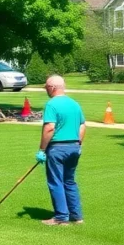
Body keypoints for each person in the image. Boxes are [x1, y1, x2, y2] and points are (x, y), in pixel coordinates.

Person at [36, 74, 86, 226]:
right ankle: (77, 217)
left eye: (46, 87)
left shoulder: (52, 104)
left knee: (56, 181)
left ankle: (61, 217)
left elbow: (50, 127)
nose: (46, 89)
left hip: (58, 148)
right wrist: (79, 144)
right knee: (69, 181)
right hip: (74, 147)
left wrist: (42, 150)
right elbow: (82, 125)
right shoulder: (74, 104)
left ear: (52, 87)